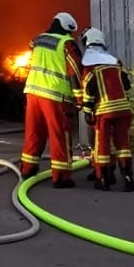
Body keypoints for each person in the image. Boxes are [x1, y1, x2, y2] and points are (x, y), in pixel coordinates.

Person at [20, 12, 83, 187]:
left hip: (33, 92)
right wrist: (79, 97)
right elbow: (75, 71)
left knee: (34, 132)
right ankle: (61, 177)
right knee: (60, 134)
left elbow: (32, 45)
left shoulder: (39, 39)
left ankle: (28, 169)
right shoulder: (66, 44)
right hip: (55, 96)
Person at [79, 27, 134, 192]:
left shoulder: (90, 65)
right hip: (123, 110)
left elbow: (89, 91)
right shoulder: (115, 62)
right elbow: (126, 85)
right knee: (122, 144)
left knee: (102, 145)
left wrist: (88, 110)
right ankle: (128, 178)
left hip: (104, 112)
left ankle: (103, 179)